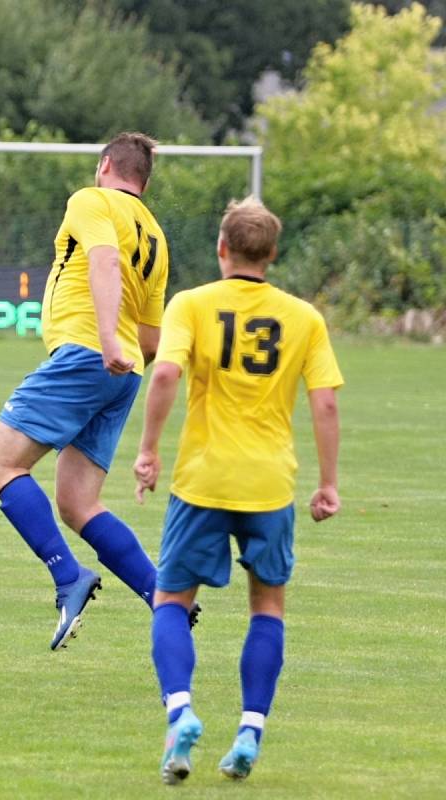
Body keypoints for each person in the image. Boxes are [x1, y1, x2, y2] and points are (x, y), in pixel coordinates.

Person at [133, 197, 343, 784]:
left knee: (172, 601)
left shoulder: (193, 304)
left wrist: (148, 450)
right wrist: (328, 484)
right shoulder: (303, 317)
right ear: (272, 255)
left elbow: (168, 371)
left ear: (221, 248)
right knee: (267, 607)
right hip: (270, 484)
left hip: (202, 478)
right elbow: (324, 400)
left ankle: (180, 713)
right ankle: (251, 728)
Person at [0, 132, 170, 651]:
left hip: (89, 354)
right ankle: (163, 599)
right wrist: (122, 356)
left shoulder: (91, 200)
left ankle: (69, 578)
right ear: (144, 182)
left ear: (105, 165)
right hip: (124, 373)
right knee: (78, 502)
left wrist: (105, 341)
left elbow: (103, 263)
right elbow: (152, 336)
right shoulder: (155, 233)